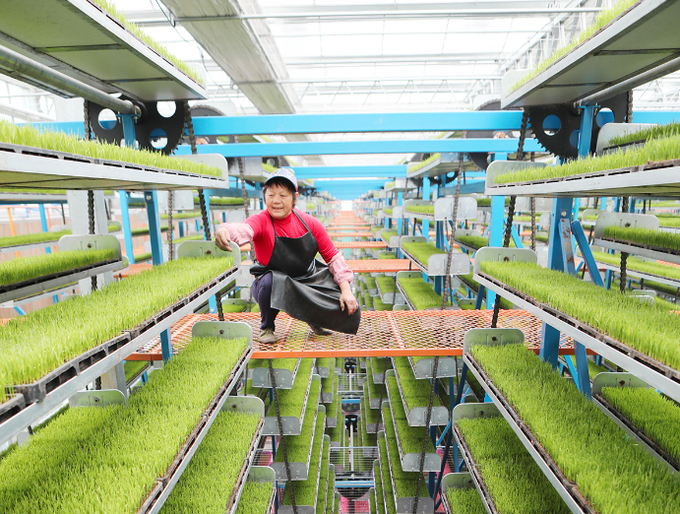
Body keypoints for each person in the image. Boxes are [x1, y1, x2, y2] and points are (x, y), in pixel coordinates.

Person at [215, 168, 361, 343]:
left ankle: (315, 319)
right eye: (271, 195)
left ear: (294, 198)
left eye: (283, 195)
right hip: (271, 284)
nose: (276, 201)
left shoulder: (310, 223)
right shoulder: (261, 220)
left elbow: (332, 257)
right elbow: (244, 229)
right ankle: (267, 326)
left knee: (340, 293)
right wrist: (225, 230)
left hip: (306, 279)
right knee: (270, 281)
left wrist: (346, 291)